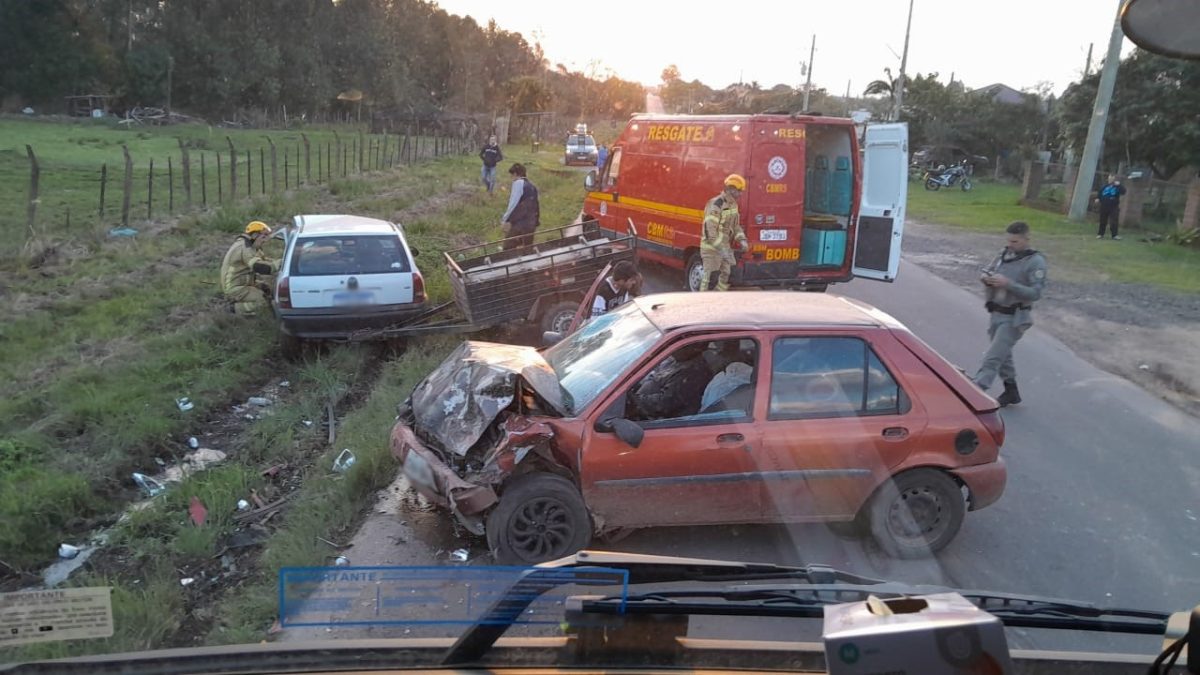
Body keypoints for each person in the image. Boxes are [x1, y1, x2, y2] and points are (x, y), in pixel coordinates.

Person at [971, 221, 1048, 407]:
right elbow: (988, 270)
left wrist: (1008, 284)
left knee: (992, 358)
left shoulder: (1035, 262)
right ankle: (1011, 390)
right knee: (1003, 355)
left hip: (1015, 318)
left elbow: (1035, 293)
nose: (1010, 245)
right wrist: (986, 279)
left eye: (1015, 241)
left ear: (1026, 239)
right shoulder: (1004, 254)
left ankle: (974, 395)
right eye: (1009, 241)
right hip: (996, 311)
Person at [700, 174, 749, 291]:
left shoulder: (733, 205)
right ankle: (703, 302)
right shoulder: (716, 204)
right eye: (738, 191)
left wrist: (742, 240)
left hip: (725, 248)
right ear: (730, 189)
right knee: (710, 279)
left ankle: (717, 301)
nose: (740, 194)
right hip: (711, 249)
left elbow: (735, 226)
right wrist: (721, 249)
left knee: (726, 276)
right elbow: (710, 231)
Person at [221, 221, 281, 315]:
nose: (265, 240)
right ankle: (233, 309)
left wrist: (281, 261)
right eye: (263, 237)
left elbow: (264, 260)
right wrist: (278, 264)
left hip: (244, 282)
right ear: (255, 235)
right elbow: (259, 266)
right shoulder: (245, 248)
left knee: (268, 289)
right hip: (235, 287)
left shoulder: (252, 246)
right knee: (262, 302)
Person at [500, 163, 540, 250]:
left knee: (508, 248)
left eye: (511, 176)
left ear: (515, 174)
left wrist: (504, 219)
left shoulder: (518, 183)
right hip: (531, 223)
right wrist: (536, 221)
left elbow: (513, 203)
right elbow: (536, 205)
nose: (511, 179)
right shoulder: (532, 186)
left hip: (520, 224)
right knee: (527, 248)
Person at [1095, 174, 1126, 240]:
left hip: (1113, 207)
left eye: (1112, 179)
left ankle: (1114, 235)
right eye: (1109, 178)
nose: (1110, 180)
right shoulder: (1104, 186)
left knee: (1114, 221)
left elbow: (1123, 192)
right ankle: (1100, 234)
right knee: (1103, 220)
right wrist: (1098, 198)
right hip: (1104, 206)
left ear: (1114, 179)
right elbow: (1100, 193)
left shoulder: (1117, 187)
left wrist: (1119, 185)